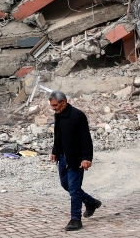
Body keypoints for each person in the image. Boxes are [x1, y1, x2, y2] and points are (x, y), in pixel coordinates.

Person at [49, 90, 101, 231]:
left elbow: (85, 138)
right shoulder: (58, 115)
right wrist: (55, 151)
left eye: (55, 105)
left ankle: (76, 219)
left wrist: (86, 158)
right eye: (52, 106)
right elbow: (58, 136)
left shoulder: (78, 116)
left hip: (76, 159)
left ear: (63, 102)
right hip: (62, 157)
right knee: (66, 185)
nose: (53, 108)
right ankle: (91, 202)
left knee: (74, 189)